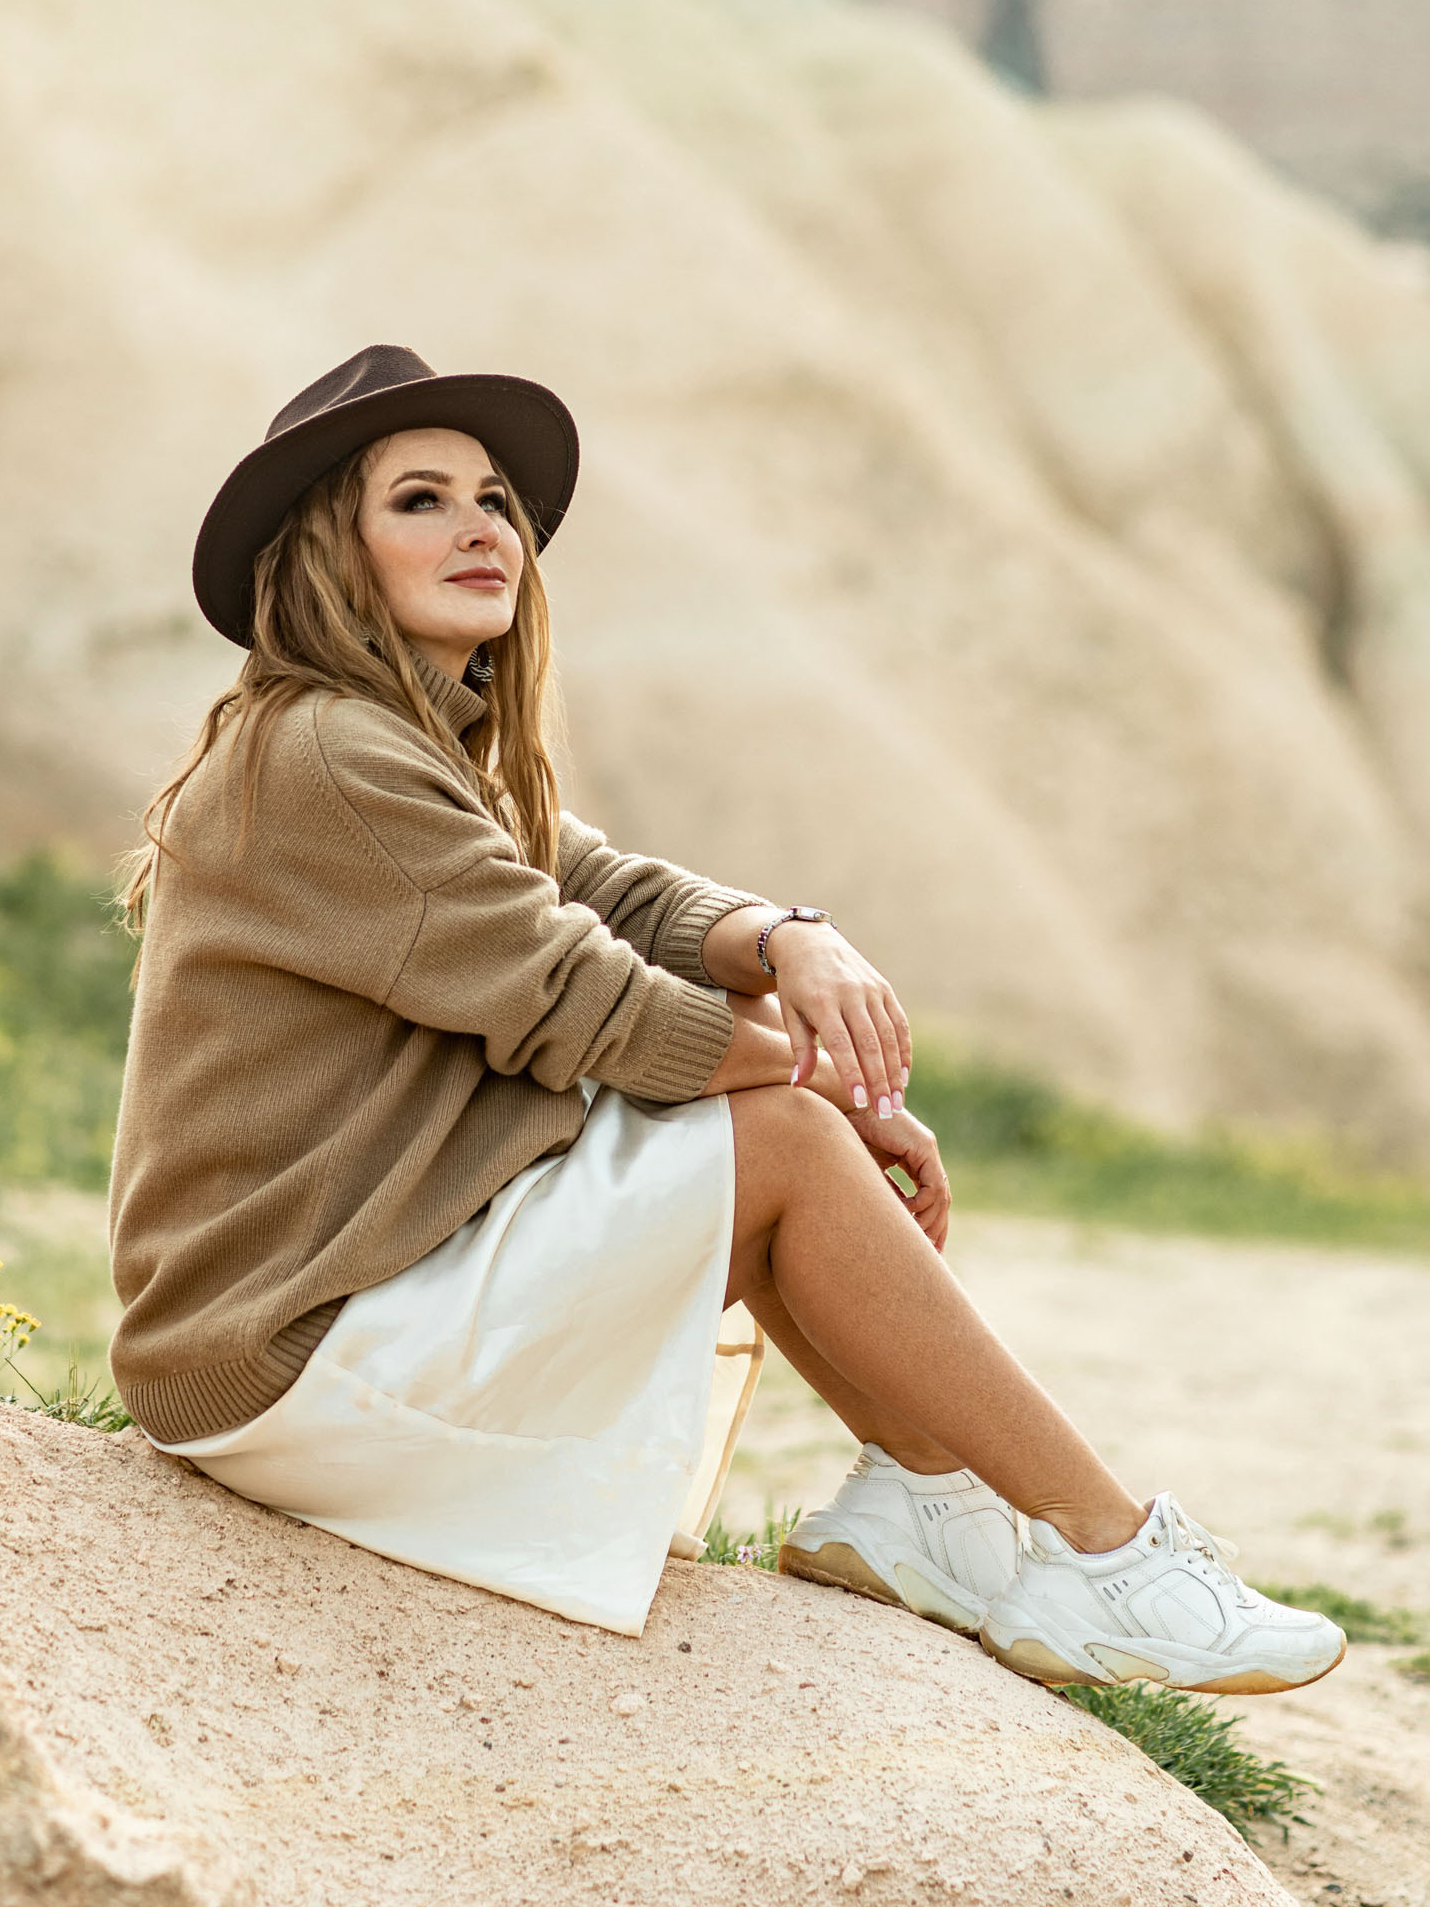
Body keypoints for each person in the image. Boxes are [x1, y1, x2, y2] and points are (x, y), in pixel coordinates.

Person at [111, 344, 1344, 1691]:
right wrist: (838, 1097)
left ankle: (925, 1506)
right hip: (280, 1349)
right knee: (782, 1145)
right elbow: (581, 999)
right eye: (420, 499)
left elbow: (608, 890)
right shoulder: (327, 753)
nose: (482, 527)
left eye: (496, 501)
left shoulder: (416, 747)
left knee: (765, 1139)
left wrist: (788, 941)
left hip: (334, 1311)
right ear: (327, 554)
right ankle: (1112, 1555)